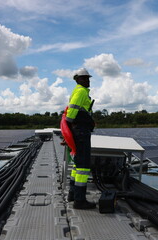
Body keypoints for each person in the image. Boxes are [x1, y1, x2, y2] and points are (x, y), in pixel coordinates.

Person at [66, 68, 96, 209]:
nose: (87, 80)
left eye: (88, 78)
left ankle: (73, 194)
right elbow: (71, 114)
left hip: (79, 131)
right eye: (84, 78)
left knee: (77, 164)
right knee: (83, 166)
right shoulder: (81, 91)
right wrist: (73, 127)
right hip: (81, 132)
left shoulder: (79, 91)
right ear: (77, 79)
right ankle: (80, 200)